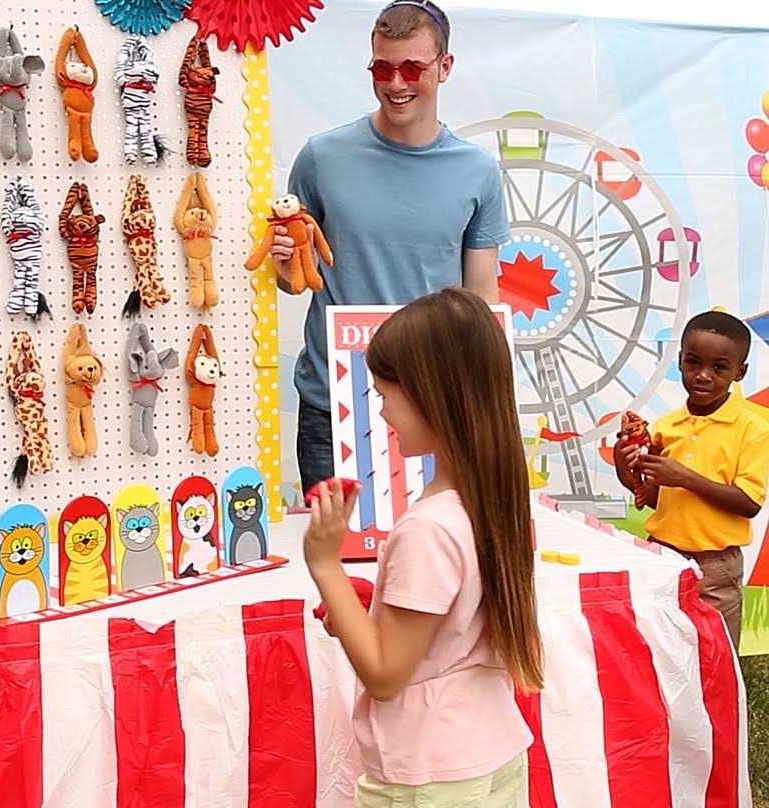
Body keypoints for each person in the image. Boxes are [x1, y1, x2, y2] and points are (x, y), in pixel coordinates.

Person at [303, 289, 541, 807]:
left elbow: (386, 674)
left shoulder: (429, 528)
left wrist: (325, 565)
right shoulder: (493, 503)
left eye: (388, 395)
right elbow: (450, 627)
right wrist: (365, 606)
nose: (383, 412)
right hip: (490, 749)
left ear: (435, 396)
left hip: (428, 775)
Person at [271, 0, 509, 493]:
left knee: (431, 557)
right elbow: (294, 281)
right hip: (331, 404)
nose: (396, 84)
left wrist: (481, 401)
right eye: (383, 68)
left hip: (433, 402)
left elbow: (482, 296)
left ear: (444, 67)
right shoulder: (322, 157)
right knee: (332, 562)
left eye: (411, 68)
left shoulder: (477, 170)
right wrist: (283, 261)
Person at [614, 311, 769, 647]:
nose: (702, 375)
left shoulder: (753, 430)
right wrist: (625, 467)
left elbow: (749, 503)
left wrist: (685, 477)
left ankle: (719, 703)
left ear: (739, 372)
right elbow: (654, 497)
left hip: (715, 565)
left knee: (716, 650)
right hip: (663, 554)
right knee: (663, 645)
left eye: (719, 367)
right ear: (680, 361)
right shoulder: (667, 426)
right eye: (693, 363)